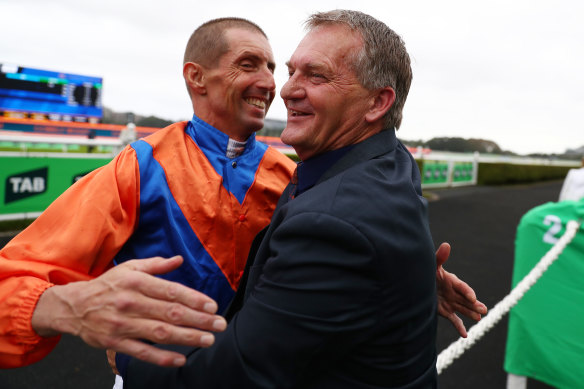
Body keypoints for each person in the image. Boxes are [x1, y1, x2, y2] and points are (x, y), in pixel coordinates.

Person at [0, 15, 484, 375]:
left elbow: (349, 247)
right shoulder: (135, 168)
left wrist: (409, 272)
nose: (272, 84)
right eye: (249, 65)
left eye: (274, 67)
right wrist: (66, 307)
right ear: (196, 77)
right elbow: (11, 281)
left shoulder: (289, 173)